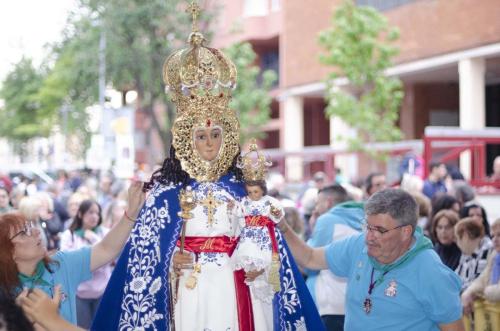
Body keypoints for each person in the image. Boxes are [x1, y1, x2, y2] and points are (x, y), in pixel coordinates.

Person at [92, 14, 323, 331]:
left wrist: (259, 265)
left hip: (238, 290)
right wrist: (170, 262)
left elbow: (266, 244)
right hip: (188, 290)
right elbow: (143, 258)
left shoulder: (245, 191)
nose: (210, 143)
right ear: (186, 140)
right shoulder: (164, 197)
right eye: (201, 136)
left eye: (216, 135)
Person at [278, 188, 465, 330]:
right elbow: (310, 258)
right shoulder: (357, 245)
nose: (370, 236)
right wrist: (283, 227)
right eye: (368, 226)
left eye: (380, 230)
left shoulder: (430, 271)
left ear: (405, 232)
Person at [0, 181, 144, 326]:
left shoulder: (60, 264)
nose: (37, 232)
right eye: (24, 233)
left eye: (31, 227)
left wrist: (131, 213)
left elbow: (106, 249)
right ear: (9, 252)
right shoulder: (5, 294)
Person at [230, 143, 285, 329]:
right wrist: (234, 210)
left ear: (263, 190)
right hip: (248, 238)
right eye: (249, 192)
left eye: (256, 192)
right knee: (246, 261)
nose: (252, 195)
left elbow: (278, 215)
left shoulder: (269, 202)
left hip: (262, 238)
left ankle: (260, 273)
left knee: (265, 262)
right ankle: (251, 273)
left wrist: (275, 213)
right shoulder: (244, 202)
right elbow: (238, 217)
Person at [306, 185, 362, 331]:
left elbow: (309, 262)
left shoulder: (327, 220)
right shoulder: (364, 219)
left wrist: (313, 228)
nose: (316, 209)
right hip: (357, 303)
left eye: (318, 203)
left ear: (329, 202)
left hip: (331, 303)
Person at [59, 200, 112, 329]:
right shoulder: (69, 235)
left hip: (102, 290)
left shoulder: (104, 233)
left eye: (97, 213)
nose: (94, 216)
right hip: (79, 292)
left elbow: (110, 255)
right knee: (83, 327)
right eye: (90, 212)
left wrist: (94, 238)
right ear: (81, 214)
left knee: (103, 326)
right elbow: (68, 261)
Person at [461, 218, 500, 314]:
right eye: (493, 236)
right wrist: (468, 294)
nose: (494, 240)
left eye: (499, 235)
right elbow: (483, 279)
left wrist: (483, 292)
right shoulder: (495, 255)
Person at [454, 217, 492, 292]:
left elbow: (475, 284)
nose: (457, 244)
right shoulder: (468, 253)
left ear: (465, 235)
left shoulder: (487, 252)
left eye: (457, 239)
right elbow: (455, 278)